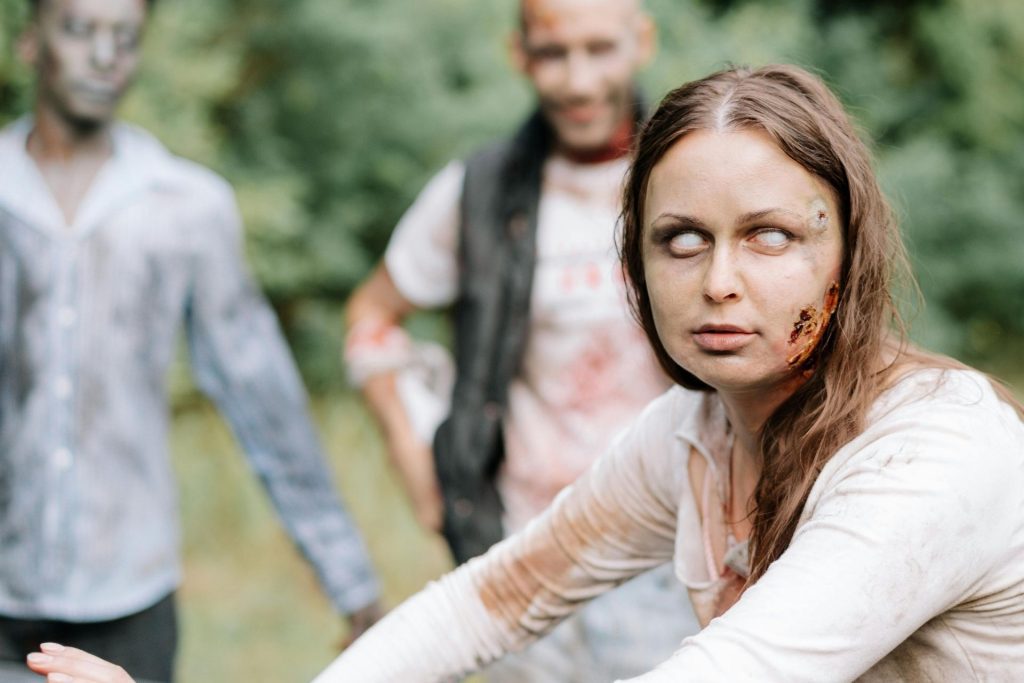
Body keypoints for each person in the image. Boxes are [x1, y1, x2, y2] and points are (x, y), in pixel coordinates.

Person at [26, 60, 1024, 683]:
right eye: (680, 239)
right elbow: (489, 599)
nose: (720, 280)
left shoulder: (927, 453)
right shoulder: (693, 436)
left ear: (845, 254)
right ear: (634, 266)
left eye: (768, 236)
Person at [2, 0, 381, 680]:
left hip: (128, 597)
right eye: (80, 29)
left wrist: (348, 576)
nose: (103, 53)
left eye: (124, 36)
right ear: (32, 42)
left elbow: (260, 395)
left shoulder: (184, 206)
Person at [342, 0, 700, 678]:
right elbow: (371, 314)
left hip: (667, 552)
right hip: (523, 548)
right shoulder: (476, 192)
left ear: (641, 42)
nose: (578, 80)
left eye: (600, 49)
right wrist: (412, 456)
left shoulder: (691, 179)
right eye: (553, 53)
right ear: (520, 53)